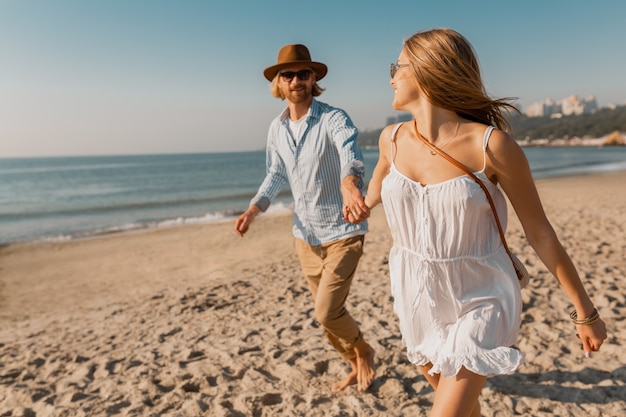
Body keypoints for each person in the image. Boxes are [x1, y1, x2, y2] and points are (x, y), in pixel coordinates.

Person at [357, 28, 607, 416]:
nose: (390, 76)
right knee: (463, 408)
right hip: (416, 295)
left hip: (482, 295)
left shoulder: (491, 146)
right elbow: (374, 191)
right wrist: (353, 198)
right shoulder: (390, 139)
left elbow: (540, 233)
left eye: (397, 66)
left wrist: (585, 311)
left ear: (426, 70)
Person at [234, 44, 376, 393]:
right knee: (326, 316)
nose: (296, 80)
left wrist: (349, 182)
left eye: (304, 74)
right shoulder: (277, 129)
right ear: (278, 83)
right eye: (289, 74)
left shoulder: (333, 118)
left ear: (314, 80)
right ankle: (353, 364)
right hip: (305, 237)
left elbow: (351, 153)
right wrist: (255, 207)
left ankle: (364, 351)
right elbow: (275, 174)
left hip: (343, 230)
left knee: (327, 312)